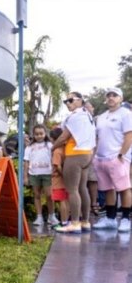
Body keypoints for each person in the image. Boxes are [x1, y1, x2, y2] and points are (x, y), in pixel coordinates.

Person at [52, 92, 96, 234]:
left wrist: (52, 148)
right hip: (87, 154)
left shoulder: (75, 116)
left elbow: (64, 136)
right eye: (66, 101)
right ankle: (85, 222)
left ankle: (75, 223)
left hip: (75, 154)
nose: (68, 103)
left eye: (70, 100)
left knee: (72, 190)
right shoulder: (88, 116)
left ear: (80, 100)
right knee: (82, 188)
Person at [92, 87, 132, 232]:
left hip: (118, 157)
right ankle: (110, 219)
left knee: (124, 188)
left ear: (120, 99)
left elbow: (129, 135)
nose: (111, 97)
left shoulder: (126, 114)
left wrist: (121, 154)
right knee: (107, 189)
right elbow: (97, 138)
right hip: (101, 158)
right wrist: (94, 156)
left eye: (114, 95)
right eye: (108, 95)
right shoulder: (101, 117)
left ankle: (126, 219)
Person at [24, 125, 58, 226]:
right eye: (36, 134)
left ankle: (51, 216)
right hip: (34, 174)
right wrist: (25, 176)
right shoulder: (29, 147)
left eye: (41, 133)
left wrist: (54, 171)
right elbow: (26, 161)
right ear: (33, 135)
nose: (39, 136)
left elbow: (53, 158)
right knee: (37, 195)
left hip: (47, 173)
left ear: (45, 134)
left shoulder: (50, 145)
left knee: (49, 195)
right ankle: (39, 217)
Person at [49, 126, 69, 227]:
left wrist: (63, 175)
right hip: (67, 179)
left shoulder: (57, 151)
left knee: (62, 201)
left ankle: (63, 222)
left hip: (58, 179)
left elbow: (57, 166)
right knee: (66, 200)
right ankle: (67, 221)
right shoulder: (66, 148)